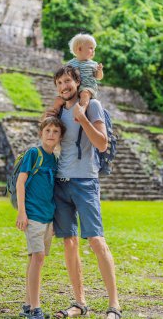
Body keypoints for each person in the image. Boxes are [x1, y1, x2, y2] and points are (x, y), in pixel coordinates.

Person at [47, 65, 122, 319]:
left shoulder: (92, 106)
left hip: (86, 181)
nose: (63, 86)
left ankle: (114, 305)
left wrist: (83, 118)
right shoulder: (59, 110)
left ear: (77, 82)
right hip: (61, 182)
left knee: (96, 241)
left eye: (67, 81)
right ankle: (79, 303)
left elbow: (102, 143)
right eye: (59, 83)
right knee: (69, 243)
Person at [16, 117, 66, 319]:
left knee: (35, 259)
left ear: (60, 136)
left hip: (47, 217)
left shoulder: (54, 159)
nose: (51, 134)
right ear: (41, 133)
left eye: (55, 131)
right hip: (33, 215)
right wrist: (22, 212)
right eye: (48, 130)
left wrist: (53, 220)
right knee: (37, 258)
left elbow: (52, 190)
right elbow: (21, 183)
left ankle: (27, 305)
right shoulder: (33, 153)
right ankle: (36, 308)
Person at [53, 33, 103, 114]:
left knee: (84, 94)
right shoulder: (70, 64)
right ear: (79, 49)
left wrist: (99, 71)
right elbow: (64, 75)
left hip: (88, 87)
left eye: (94, 49)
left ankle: (82, 110)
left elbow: (98, 77)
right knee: (58, 99)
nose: (93, 51)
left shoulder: (93, 64)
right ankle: (53, 115)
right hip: (73, 89)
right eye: (91, 48)